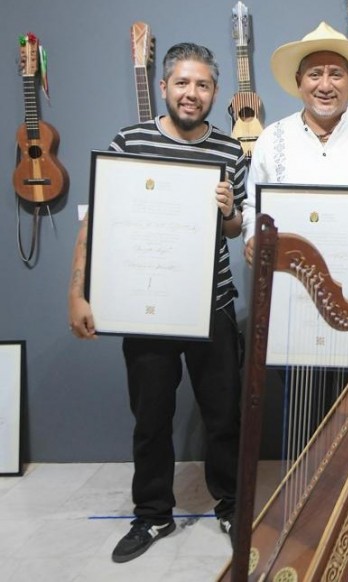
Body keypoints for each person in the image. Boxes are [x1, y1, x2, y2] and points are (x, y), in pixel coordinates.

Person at [240, 21, 348, 551]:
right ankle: (304, 501)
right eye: (314, 74)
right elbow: (252, 207)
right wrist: (251, 238)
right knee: (302, 405)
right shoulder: (273, 139)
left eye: (336, 74)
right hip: (293, 298)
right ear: (298, 83)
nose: (325, 84)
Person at [68, 42, 247, 563]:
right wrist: (76, 292)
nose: (192, 93)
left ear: (215, 91)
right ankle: (152, 514)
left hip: (211, 302)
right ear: (164, 86)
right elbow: (97, 217)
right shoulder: (130, 141)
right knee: (150, 417)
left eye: (203, 85)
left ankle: (232, 505)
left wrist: (230, 210)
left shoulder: (231, 150)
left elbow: (234, 229)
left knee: (224, 415)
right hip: (145, 304)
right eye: (183, 83)